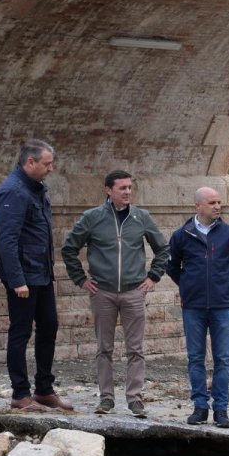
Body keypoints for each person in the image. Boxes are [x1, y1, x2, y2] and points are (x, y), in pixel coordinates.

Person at [62, 170, 169, 417]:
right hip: (103, 293)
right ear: (108, 190)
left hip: (133, 292)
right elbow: (69, 249)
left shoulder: (141, 217)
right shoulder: (92, 218)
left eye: (130, 187)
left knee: (136, 349)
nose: (128, 192)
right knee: (104, 348)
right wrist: (81, 279)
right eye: (122, 188)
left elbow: (163, 248)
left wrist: (153, 277)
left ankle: (134, 399)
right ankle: (106, 399)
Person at [0, 139, 74, 412]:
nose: (51, 168)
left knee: (49, 326)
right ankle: (20, 393)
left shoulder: (36, 189)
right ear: (30, 162)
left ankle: (44, 389)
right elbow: (6, 240)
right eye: (47, 163)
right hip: (23, 279)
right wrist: (17, 280)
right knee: (20, 332)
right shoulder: (13, 192)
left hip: (41, 274)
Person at [166, 187, 229, 428]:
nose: (217, 206)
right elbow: (173, 267)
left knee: (222, 359)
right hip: (193, 306)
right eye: (212, 202)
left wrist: (220, 285)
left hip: (221, 305)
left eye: (219, 202)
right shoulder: (181, 235)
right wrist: (190, 285)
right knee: (195, 358)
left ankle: (221, 410)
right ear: (198, 206)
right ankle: (200, 407)